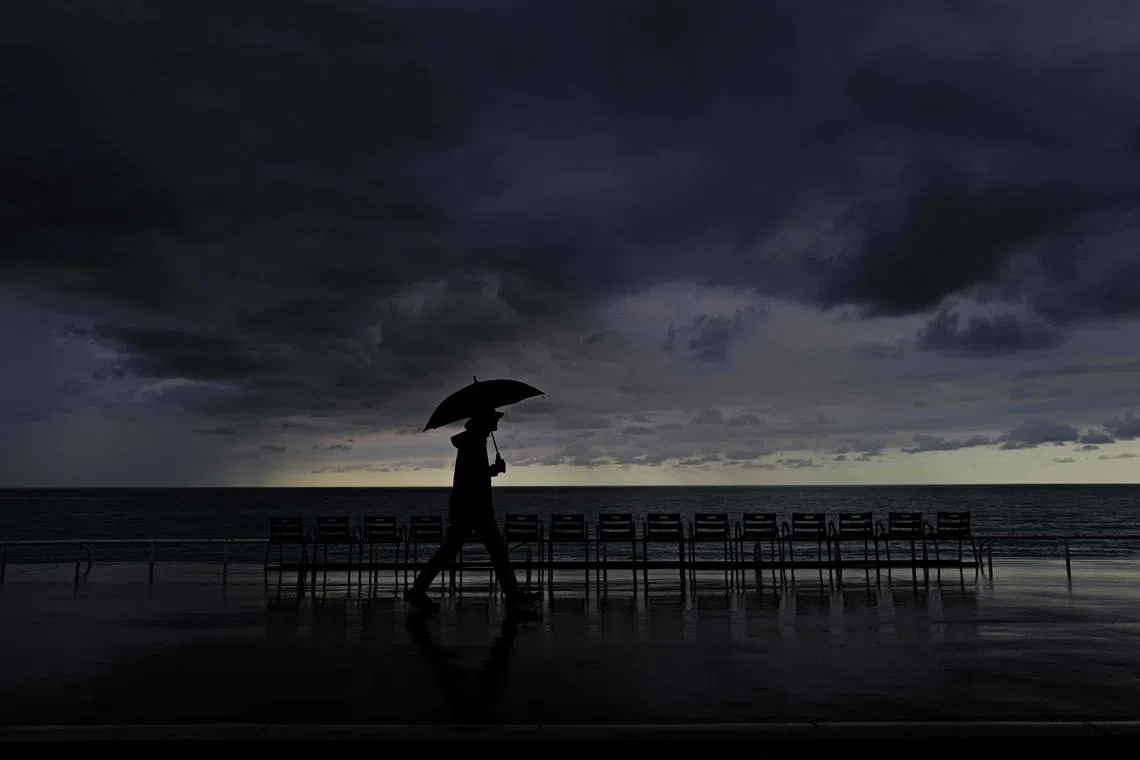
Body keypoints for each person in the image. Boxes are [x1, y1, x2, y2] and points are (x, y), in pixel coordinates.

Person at [405, 409, 542, 613]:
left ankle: (418, 591)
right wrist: (494, 470)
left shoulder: (474, 441)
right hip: (474, 508)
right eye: (494, 419)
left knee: (461, 551)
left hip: (469, 507)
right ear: (484, 421)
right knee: (492, 551)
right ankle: (513, 596)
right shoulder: (475, 443)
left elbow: (474, 474)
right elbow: (475, 477)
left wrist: (492, 470)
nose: (496, 423)